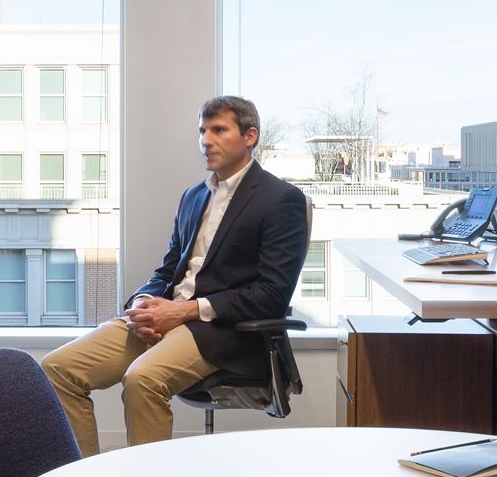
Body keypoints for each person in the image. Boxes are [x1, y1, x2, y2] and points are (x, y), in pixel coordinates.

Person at [41, 96, 311, 457]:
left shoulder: (281, 199)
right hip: (164, 316)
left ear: (250, 136)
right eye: (202, 131)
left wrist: (183, 312)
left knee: (143, 378)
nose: (206, 140)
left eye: (218, 130)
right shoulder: (193, 196)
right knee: (58, 369)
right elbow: (168, 269)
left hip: (222, 331)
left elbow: (271, 294)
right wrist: (142, 303)